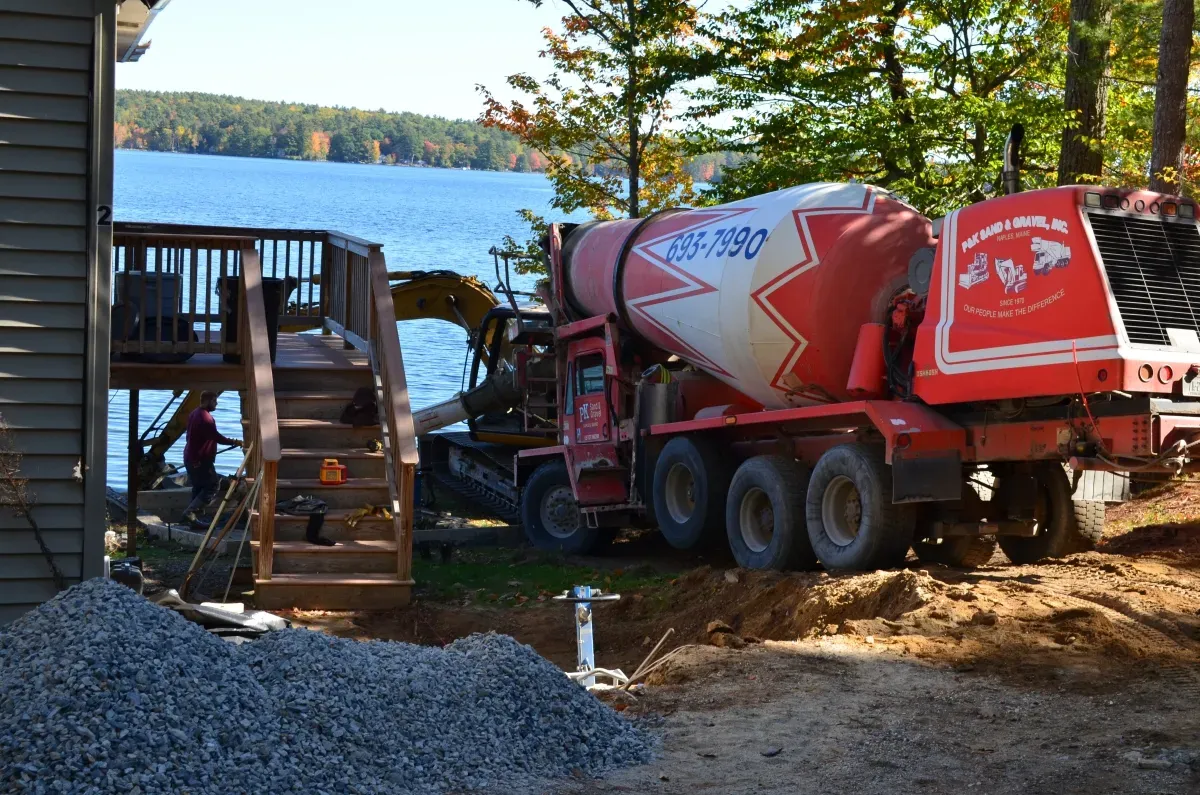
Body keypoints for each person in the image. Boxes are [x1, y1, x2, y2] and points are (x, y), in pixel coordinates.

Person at [182, 391, 242, 523]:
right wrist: (234, 441)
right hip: (199, 459)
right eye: (214, 401)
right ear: (207, 401)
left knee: (198, 487)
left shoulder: (194, 413)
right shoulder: (205, 418)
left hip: (190, 457)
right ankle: (190, 513)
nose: (216, 404)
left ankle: (193, 520)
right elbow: (216, 437)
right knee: (212, 485)